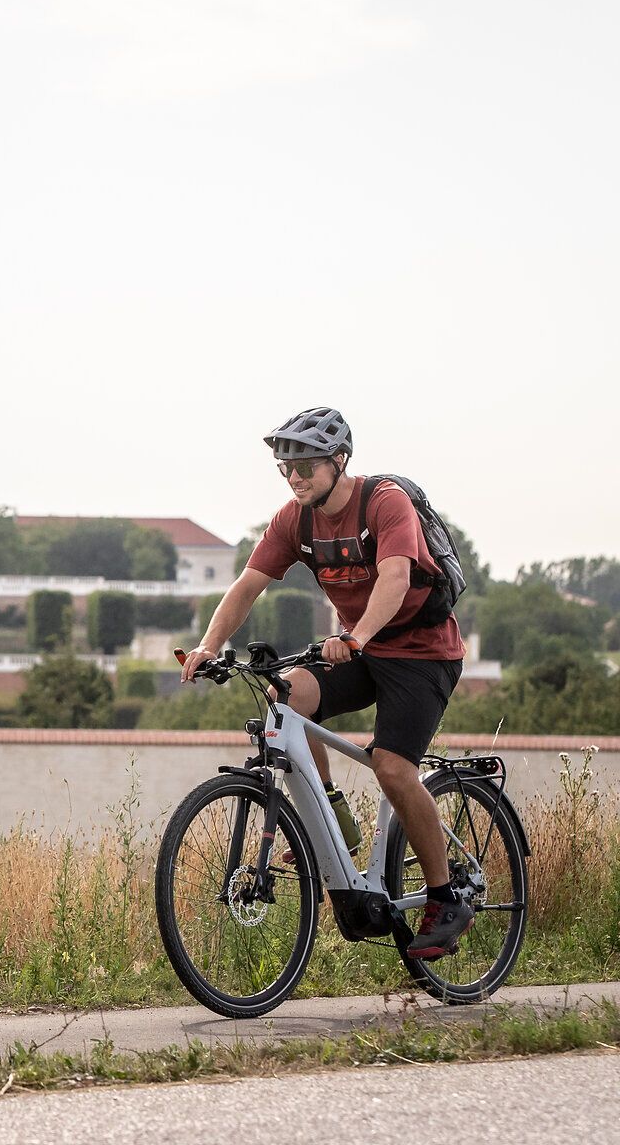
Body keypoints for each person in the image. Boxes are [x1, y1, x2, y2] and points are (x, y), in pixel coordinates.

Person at [181, 407, 472, 959]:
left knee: (391, 765)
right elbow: (248, 584)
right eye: (285, 468)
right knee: (288, 695)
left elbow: (395, 577)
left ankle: (445, 895)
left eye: (305, 466)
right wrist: (208, 647)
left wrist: (358, 636)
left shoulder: (384, 502)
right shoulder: (295, 520)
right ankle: (333, 810)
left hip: (421, 653)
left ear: (339, 461)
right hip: (361, 647)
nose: (294, 478)